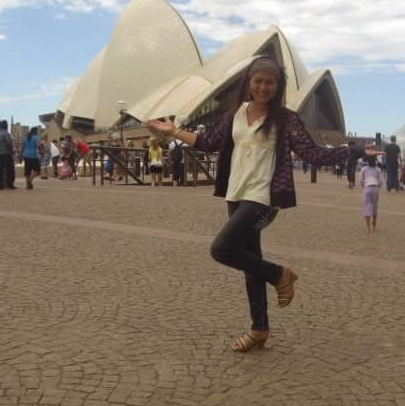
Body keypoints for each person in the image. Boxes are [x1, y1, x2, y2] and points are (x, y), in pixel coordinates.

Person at [147, 56, 384, 352]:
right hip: (236, 192)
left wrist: (356, 152)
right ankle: (259, 329)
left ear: (278, 86)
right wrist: (173, 132)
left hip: (262, 197)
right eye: (258, 81)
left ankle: (279, 275)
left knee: (221, 249)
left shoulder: (286, 119)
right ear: (249, 82)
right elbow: (209, 142)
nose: (263, 87)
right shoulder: (236, 113)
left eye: (269, 82)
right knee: (249, 261)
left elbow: (312, 154)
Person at [360, 156, 382, 234]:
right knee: (374, 206)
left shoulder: (364, 169)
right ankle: (374, 221)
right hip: (375, 188)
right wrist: (378, 188)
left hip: (367, 188)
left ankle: (368, 227)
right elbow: (380, 182)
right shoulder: (378, 169)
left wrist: (364, 187)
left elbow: (361, 180)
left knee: (367, 206)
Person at [0, 120, 16, 189]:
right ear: (6, 126)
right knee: (10, 170)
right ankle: (9, 184)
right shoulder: (6, 133)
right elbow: (9, 143)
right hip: (6, 154)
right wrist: (12, 151)